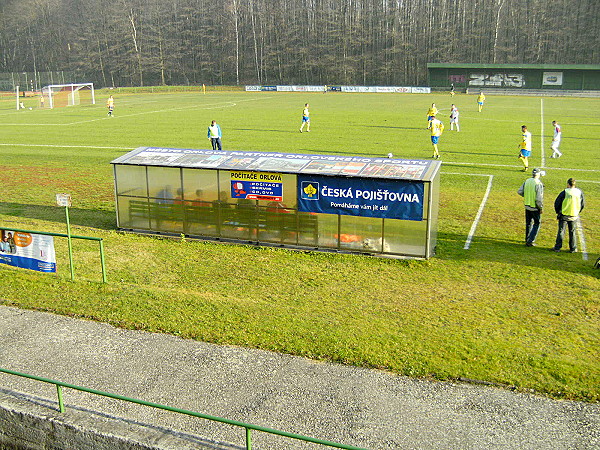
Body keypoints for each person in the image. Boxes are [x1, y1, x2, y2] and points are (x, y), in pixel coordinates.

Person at [552, 178, 584, 253]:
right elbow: (582, 204)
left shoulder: (565, 192)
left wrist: (558, 212)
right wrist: (578, 211)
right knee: (572, 232)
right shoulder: (579, 192)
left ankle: (557, 247)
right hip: (574, 215)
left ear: (568, 184)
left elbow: (557, 203)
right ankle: (573, 248)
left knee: (561, 231)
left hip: (564, 214)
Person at [517, 168, 544, 247]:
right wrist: (541, 208)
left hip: (527, 205)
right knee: (536, 223)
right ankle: (530, 241)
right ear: (538, 174)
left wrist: (527, 196)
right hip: (535, 207)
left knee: (528, 223)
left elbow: (520, 191)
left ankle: (527, 238)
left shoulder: (527, 181)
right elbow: (539, 198)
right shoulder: (538, 183)